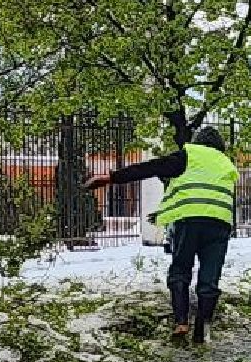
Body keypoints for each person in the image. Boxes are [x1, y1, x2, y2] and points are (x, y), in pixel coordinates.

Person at [83, 126, 237, 345]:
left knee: (180, 270)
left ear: (198, 142)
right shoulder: (227, 163)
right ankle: (202, 330)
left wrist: (111, 177)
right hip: (219, 224)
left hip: (188, 220)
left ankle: (181, 322)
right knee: (209, 279)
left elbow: (151, 167)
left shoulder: (189, 155)